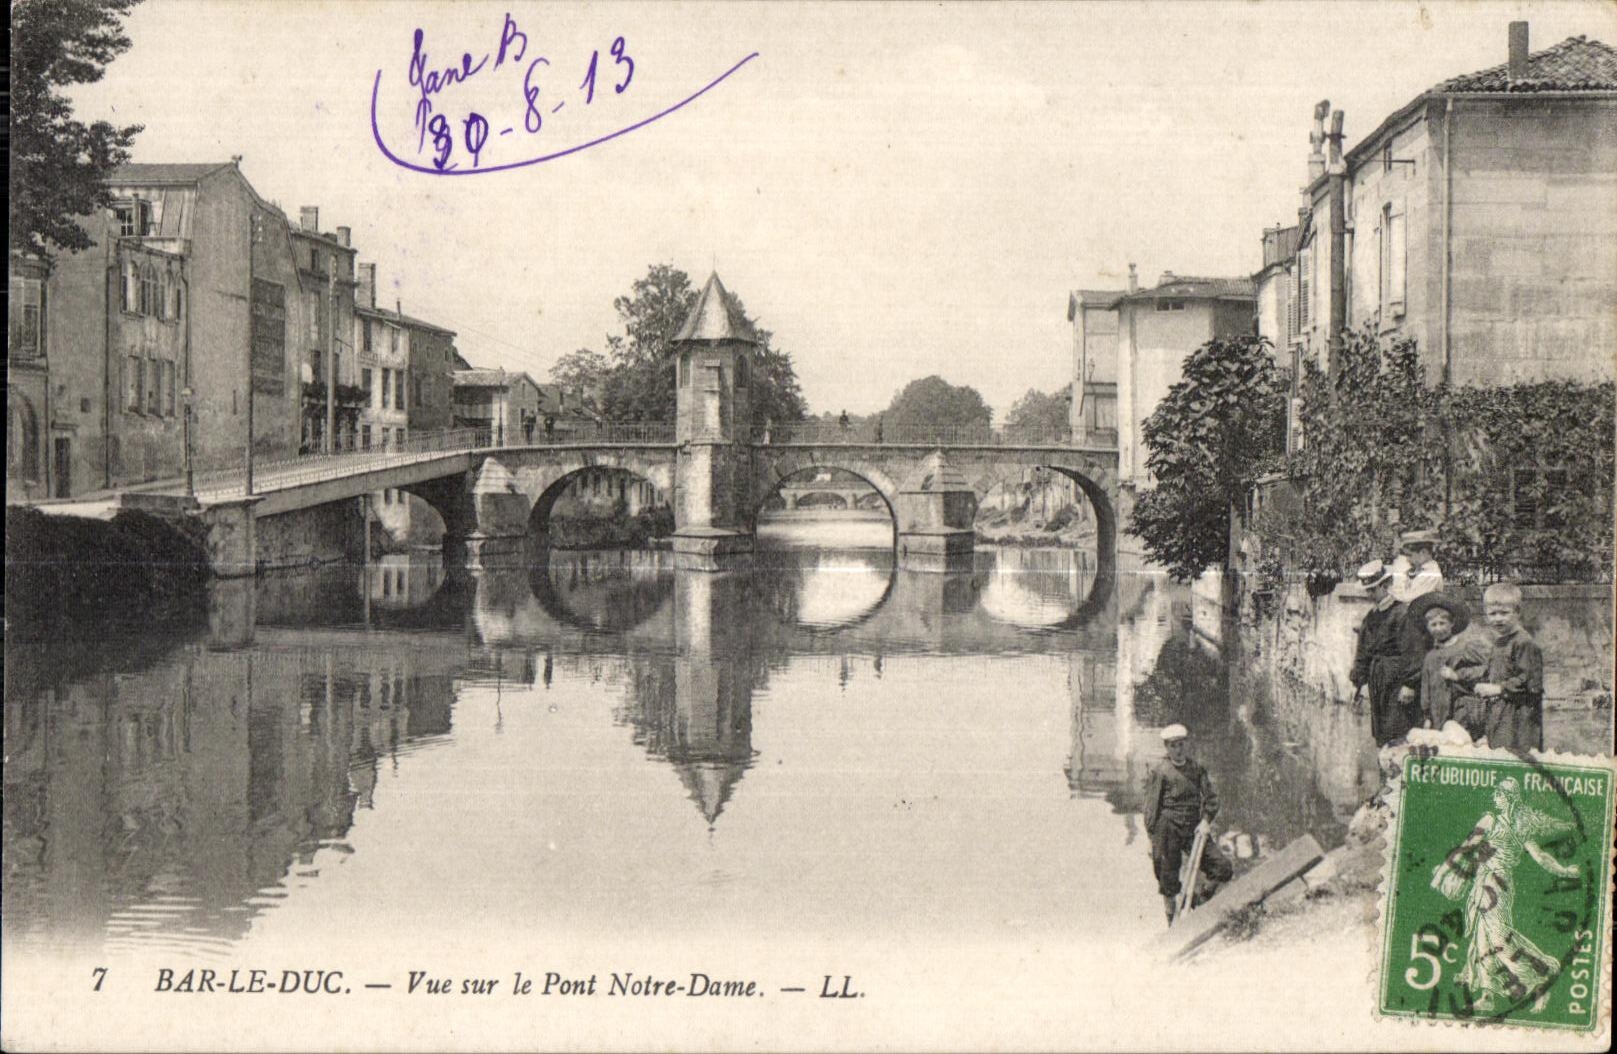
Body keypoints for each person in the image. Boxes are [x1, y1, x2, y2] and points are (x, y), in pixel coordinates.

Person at [1429, 777, 1578, 1013]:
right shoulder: (1489, 820)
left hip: (1499, 884)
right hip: (1482, 881)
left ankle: (1541, 979)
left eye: (1498, 794)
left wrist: (1564, 871)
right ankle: (1488, 995)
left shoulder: (1519, 826)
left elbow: (1540, 856)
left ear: (1509, 798)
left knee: (1500, 939)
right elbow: (1465, 847)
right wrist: (1444, 871)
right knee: (1481, 941)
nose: (1494, 797)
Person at [1143, 724, 1233, 924]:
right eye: (1173, 746)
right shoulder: (1160, 772)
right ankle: (1171, 926)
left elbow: (1211, 799)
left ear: (1186, 745)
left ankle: (1197, 901)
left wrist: (1206, 821)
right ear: (1167, 747)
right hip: (1167, 830)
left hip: (1193, 829)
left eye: (1181, 745)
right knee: (1168, 882)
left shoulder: (1196, 769)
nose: (1178, 749)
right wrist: (1151, 839)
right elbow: (1151, 808)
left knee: (1223, 867)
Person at [1350, 560, 1427, 746]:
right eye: (1367, 590)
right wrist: (1358, 683)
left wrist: (1410, 684)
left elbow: (1414, 650)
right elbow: (1363, 651)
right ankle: (1384, 768)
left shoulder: (1402, 614)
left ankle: (1399, 770)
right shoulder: (1372, 617)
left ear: (1386, 585)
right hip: (1378, 680)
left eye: (1373, 590)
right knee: (1382, 731)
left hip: (1397, 680)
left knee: (1398, 728)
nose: (1369, 595)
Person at [1409, 592, 1491, 740]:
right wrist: (1427, 716)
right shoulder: (1430, 657)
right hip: (1437, 714)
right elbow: (1425, 688)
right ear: (1427, 627)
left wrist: (1458, 675)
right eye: (1433, 625)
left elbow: (1485, 669)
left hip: (1461, 711)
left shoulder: (1464, 648)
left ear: (1452, 624)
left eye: (1442, 623)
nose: (1438, 629)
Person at [1474, 582, 1545, 751]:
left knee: (1516, 757)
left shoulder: (1523, 642)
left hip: (1519, 714)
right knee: (1498, 754)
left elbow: (1532, 682)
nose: (1498, 618)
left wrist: (1498, 689)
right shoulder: (1500, 641)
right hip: (1499, 712)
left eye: (1504, 613)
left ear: (1517, 612)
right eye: (1492, 614)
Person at [1391, 529, 1444, 603]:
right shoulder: (1419, 570)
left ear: (1423, 552)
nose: (1408, 560)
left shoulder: (1432, 574)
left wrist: (1391, 592)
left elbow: (1407, 598)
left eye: (1410, 555)